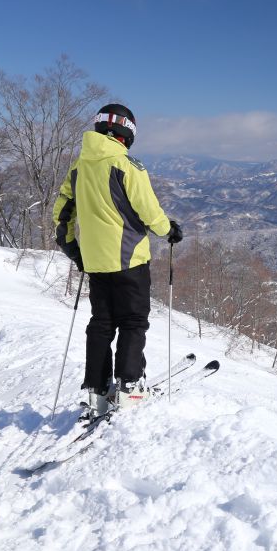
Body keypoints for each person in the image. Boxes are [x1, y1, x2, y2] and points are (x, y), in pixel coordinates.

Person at [52, 103, 184, 420]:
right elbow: (150, 212)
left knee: (101, 325)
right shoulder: (127, 167)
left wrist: (75, 251)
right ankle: (130, 387)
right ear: (127, 132)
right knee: (132, 322)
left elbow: (61, 216)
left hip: (95, 263)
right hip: (129, 262)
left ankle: (97, 393)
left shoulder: (78, 168)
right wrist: (170, 230)